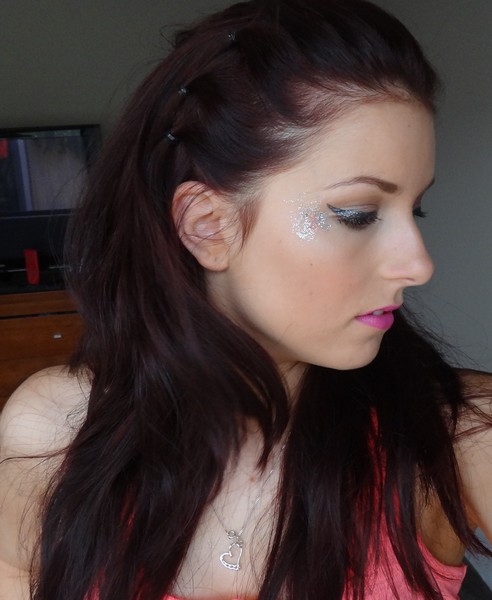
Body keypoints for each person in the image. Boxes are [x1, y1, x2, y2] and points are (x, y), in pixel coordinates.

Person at [1, 0, 491, 598]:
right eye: (358, 214)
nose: (418, 264)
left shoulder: (459, 435)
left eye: (415, 209)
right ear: (208, 225)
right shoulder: (54, 434)